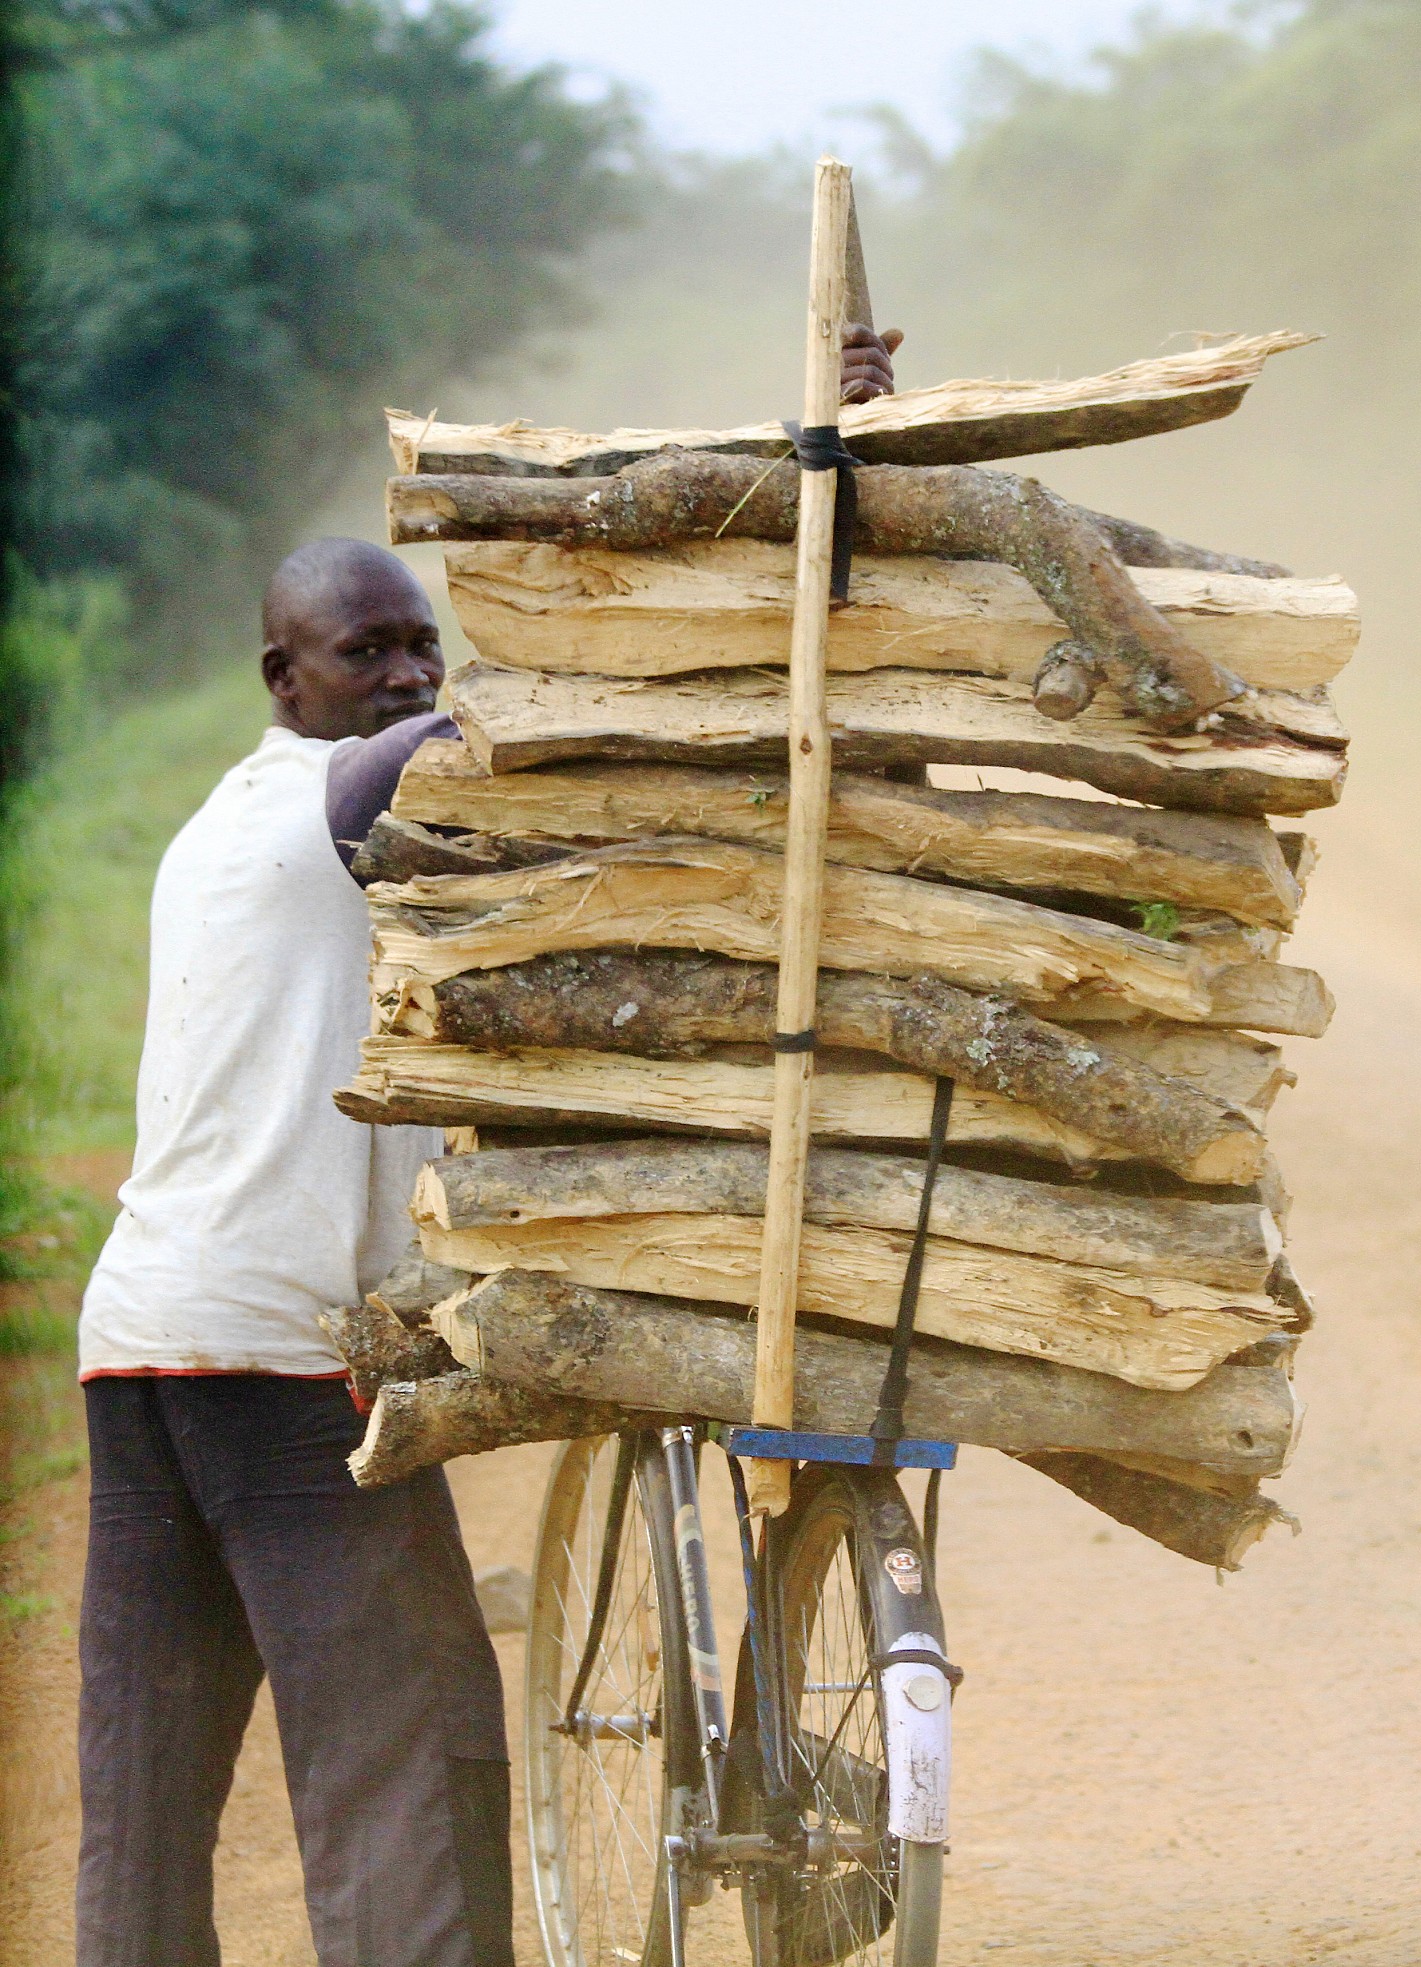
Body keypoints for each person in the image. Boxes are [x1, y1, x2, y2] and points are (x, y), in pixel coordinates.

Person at [74, 326, 902, 1966]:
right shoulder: (335, 804)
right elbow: (577, 710)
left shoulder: (226, 824)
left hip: (141, 1348)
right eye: (363, 652)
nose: (405, 678)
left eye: (418, 648)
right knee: (411, 1763)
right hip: (283, 1359)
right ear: (284, 678)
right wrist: (814, 469)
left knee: (147, 1790)